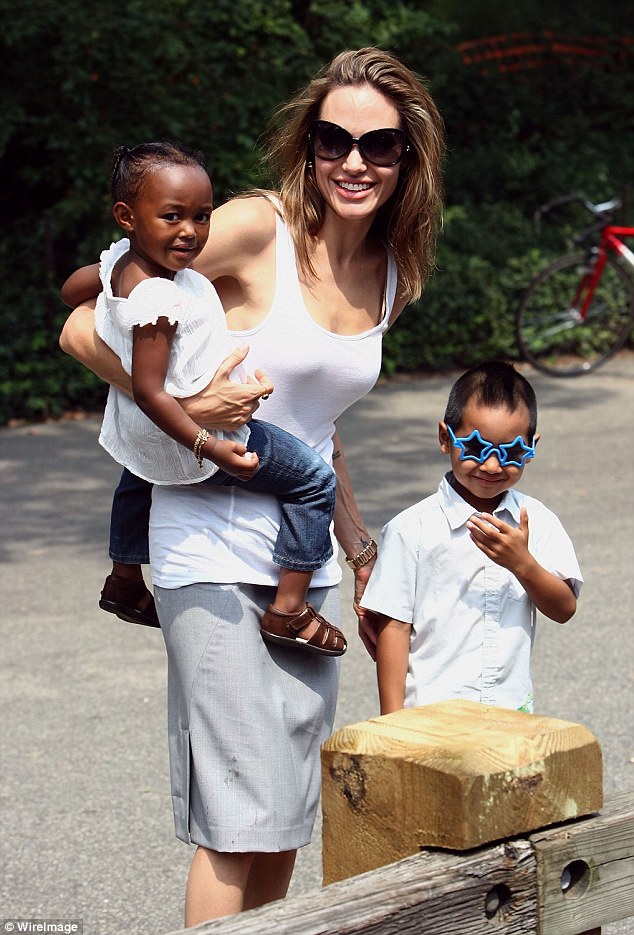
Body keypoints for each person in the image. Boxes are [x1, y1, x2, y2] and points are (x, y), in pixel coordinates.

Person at [59, 47, 445, 924]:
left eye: (379, 144)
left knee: (282, 821)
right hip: (206, 546)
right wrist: (185, 407)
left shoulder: (390, 273)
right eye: (333, 140)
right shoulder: (255, 228)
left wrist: (363, 552)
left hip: (300, 570)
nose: (354, 161)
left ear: (407, 157)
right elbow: (84, 322)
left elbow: (318, 427)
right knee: (238, 820)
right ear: (309, 147)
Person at [64, 140, 344, 656]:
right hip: (208, 431)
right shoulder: (159, 299)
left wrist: (108, 293)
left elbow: (71, 291)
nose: (189, 231)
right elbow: (150, 391)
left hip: (142, 434)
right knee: (313, 480)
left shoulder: (120, 261)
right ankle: (289, 607)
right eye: (172, 216)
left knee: (139, 469)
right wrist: (209, 446)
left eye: (201, 216)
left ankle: (123, 578)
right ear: (127, 216)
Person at [360, 360, 583, 716]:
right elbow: (395, 627)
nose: (492, 466)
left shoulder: (537, 521)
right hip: (431, 713)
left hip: (508, 712)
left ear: (532, 447)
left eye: (511, 452)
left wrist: (523, 564)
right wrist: (392, 720)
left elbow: (564, 609)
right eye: (477, 448)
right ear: (445, 438)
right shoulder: (411, 529)